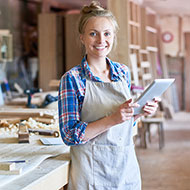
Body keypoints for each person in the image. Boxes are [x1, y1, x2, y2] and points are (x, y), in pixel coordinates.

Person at [58, 1, 159, 190]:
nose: (101, 40)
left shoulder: (122, 72)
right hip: (91, 175)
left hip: (125, 170)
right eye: (93, 33)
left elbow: (123, 126)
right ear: (82, 37)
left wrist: (139, 113)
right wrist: (113, 119)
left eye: (107, 33)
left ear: (113, 36)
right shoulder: (72, 79)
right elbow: (70, 135)